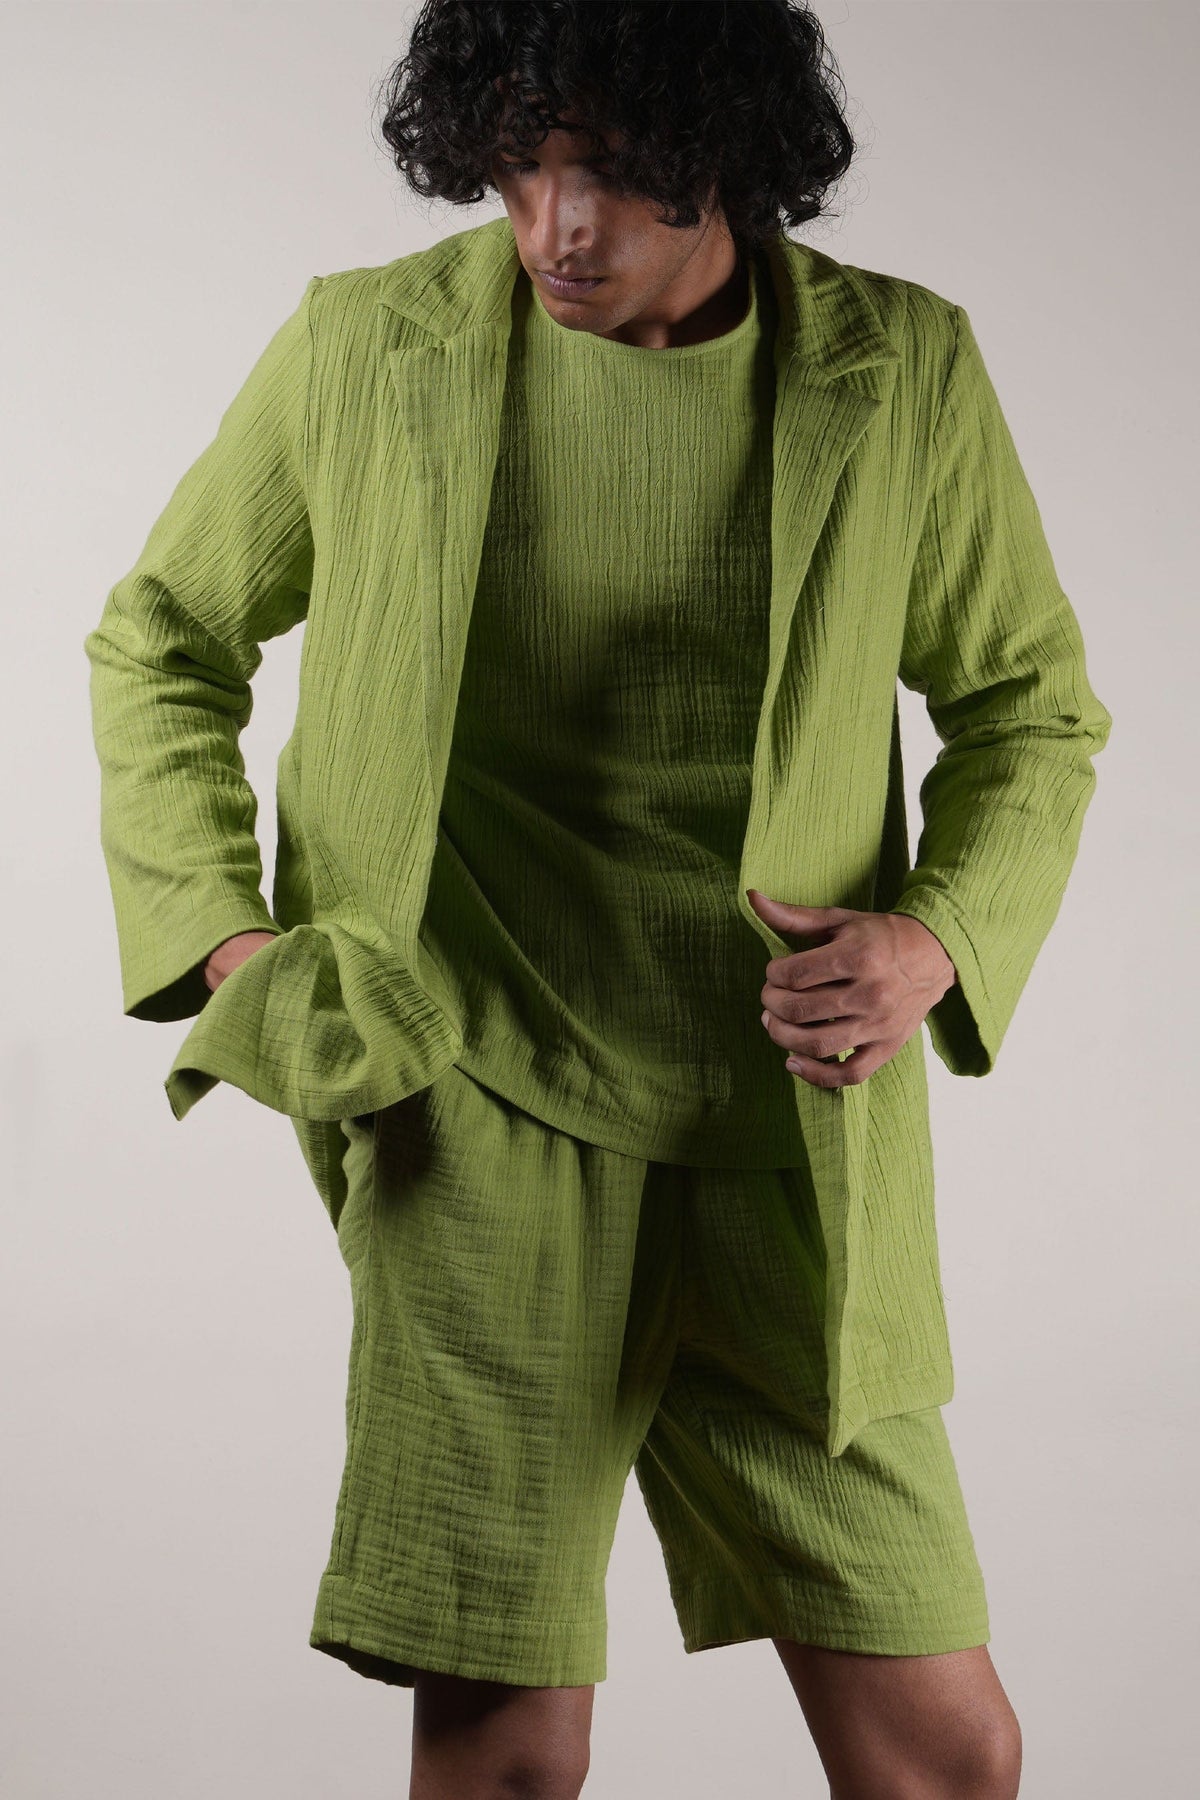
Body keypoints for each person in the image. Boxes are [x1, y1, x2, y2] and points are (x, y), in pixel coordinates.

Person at [83, 3, 1112, 1795]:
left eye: (617, 174)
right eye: (521, 162)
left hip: (785, 1121)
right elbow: (162, 636)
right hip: (470, 1089)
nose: (558, 225)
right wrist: (231, 940)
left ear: (727, 155)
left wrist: (936, 940)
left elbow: (1031, 711)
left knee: (947, 1756)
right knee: (509, 1759)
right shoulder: (368, 344)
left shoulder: (903, 369)